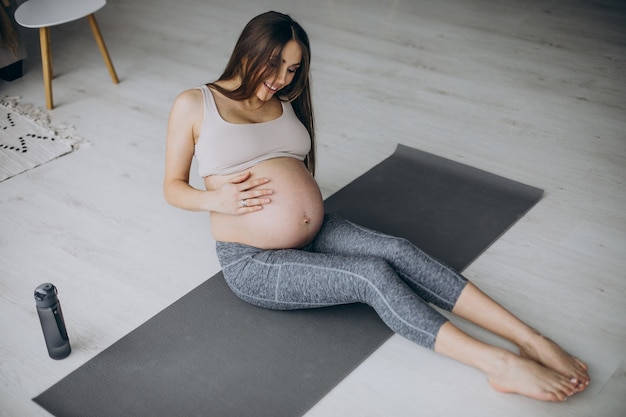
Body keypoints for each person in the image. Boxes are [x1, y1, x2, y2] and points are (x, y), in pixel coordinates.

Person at [163, 11, 589, 402]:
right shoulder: (195, 104)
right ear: (249, 52)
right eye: (275, 65)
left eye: (293, 69)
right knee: (370, 275)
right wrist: (214, 198)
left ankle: (530, 338)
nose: (282, 78)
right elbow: (172, 187)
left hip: (320, 232)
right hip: (254, 262)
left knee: (398, 250)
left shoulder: (285, 101)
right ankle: (498, 364)